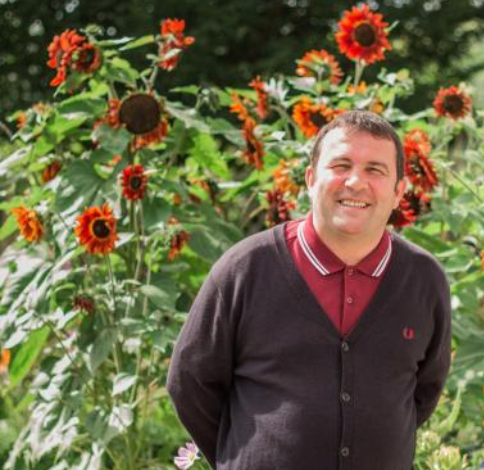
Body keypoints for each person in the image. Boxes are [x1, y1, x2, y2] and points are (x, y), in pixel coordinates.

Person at [167, 110, 452, 470]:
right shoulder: (245, 269)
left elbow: (424, 391)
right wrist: (240, 455)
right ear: (310, 179)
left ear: (398, 192)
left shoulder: (424, 279)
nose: (355, 182)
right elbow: (189, 384)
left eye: (375, 170)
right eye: (341, 165)